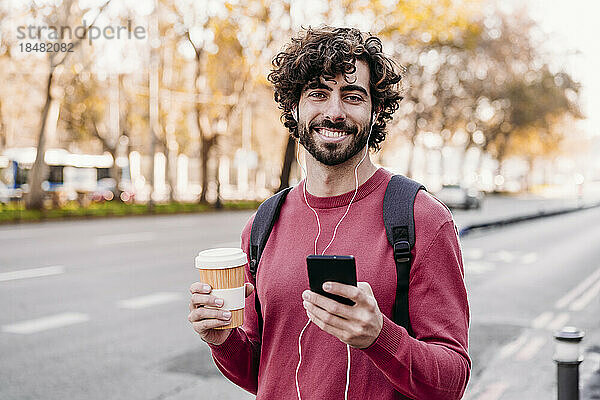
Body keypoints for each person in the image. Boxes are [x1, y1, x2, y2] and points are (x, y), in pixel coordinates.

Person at [188, 26, 470, 399]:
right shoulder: (262, 225)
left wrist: (380, 338)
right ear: (294, 106)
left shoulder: (421, 219)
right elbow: (260, 372)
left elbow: (451, 381)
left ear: (377, 109)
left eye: (352, 96)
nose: (333, 112)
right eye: (318, 94)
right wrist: (222, 340)